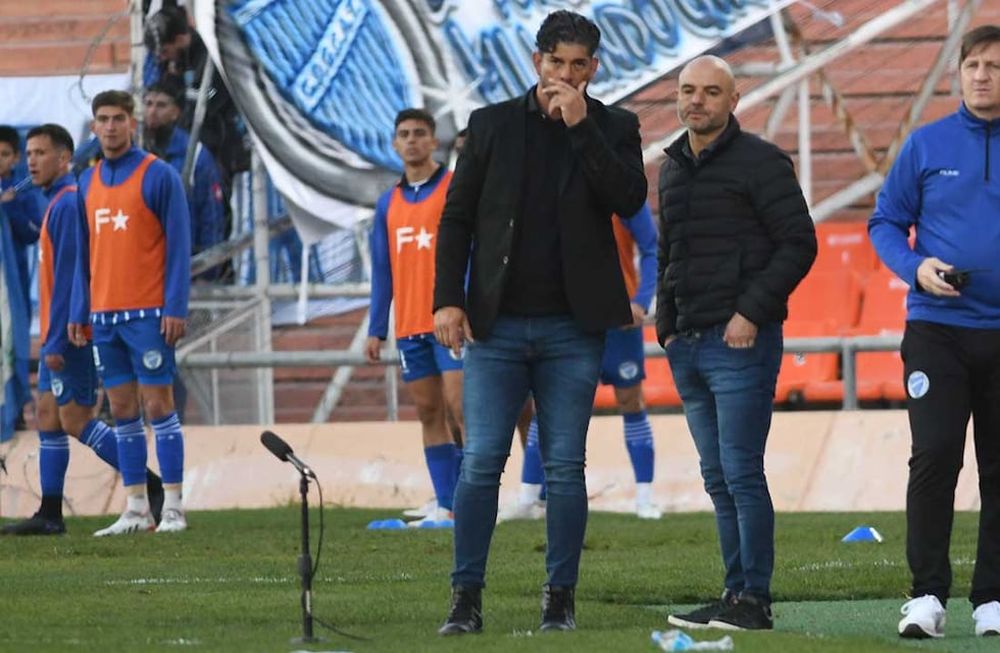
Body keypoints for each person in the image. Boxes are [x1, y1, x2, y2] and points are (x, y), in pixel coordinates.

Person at [433, 10, 646, 635]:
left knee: (564, 466)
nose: (567, 76)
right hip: (496, 326)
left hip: (572, 328)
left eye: (580, 66)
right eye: (557, 64)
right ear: (537, 63)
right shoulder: (491, 125)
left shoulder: (615, 125)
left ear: (594, 69)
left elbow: (629, 200)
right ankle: (465, 598)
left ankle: (560, 598)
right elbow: (457, 219)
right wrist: (449, 299)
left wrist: (583, 131)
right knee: (480, 462)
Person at [657, 55, 816, 632]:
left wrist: (750, 312)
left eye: (710, 92)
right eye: (688, 91)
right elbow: (668, 253)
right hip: (689, 346)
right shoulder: (671, 167)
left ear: (734, 99)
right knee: (717, 476)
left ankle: (755, 600)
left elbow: (799, 243)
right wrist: (665, 325)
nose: (696, 101)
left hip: (740, 343)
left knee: (741, 472)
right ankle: (734, 592)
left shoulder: (763, 162)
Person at [869, 25, 1000, 640]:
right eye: (973, 64)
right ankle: (926, 596)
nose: (983, 75)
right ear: (958, 73)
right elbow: (885, 223)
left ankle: (993, 600)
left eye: (995, 65)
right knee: (936, 456)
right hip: (937, 330)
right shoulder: (926, 145)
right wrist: (916, 267)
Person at [1, 124, 165, 536]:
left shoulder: (70, 204)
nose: (31, 161)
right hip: (57, 330)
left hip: (71, 334)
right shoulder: (53, 202)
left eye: (41, 153)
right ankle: (50, 512)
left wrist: (57, 338)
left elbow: (75, 277)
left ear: (64, 159)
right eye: (29, 153)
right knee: (47, 415)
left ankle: (149, 484)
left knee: (74, 418)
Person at [68, 90, 191, 536]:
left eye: (119, 118)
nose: (111, 126)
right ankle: (137, 507)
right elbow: (84, 254)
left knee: (159, 404)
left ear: (132, 123)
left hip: (149, 313)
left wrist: (175, 305)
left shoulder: (158, 175)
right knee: (121, 409)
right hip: (104, 316)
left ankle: (174, 504)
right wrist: (81, 310)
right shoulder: (87, 180)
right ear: (95, 126)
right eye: (103, 119)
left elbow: (179, 246)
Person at [503, 203, 661, 521]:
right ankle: (529, 496)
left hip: (619, 318)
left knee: (630, 399)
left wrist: (641, 301)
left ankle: (645, 497)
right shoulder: (556, 186)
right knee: (549, 404)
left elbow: (651, 247)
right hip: (568, 317)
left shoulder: (622, 190)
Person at [366, 108, 462, 528]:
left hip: (451, 323)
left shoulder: (454, 189)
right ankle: (447, 502)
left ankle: (476, 503)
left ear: (433, 141)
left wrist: (466, 307)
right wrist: (376, 328)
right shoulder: (388, 202)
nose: (411, 141)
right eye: (403, 134)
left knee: (463, 411)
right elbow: (382, 270)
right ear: (394, 144)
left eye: (420, 134)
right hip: (409, 327)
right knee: (428, 413)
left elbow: (472, 254)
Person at [143, 80, 226, 279]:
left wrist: (207, 272)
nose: (152, 111)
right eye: (148, 104)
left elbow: (211, 217)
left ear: (176, 112)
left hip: (183, 268)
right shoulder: (132, 150)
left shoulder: (195, 154)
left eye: (161, 105)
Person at [0, 125, 45, 427]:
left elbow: (33, 232)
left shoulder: (22, 191)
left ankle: (12, 413)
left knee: (11, 346)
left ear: (16, 158)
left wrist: (10, 205)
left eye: (4, 154)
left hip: (10, 288)